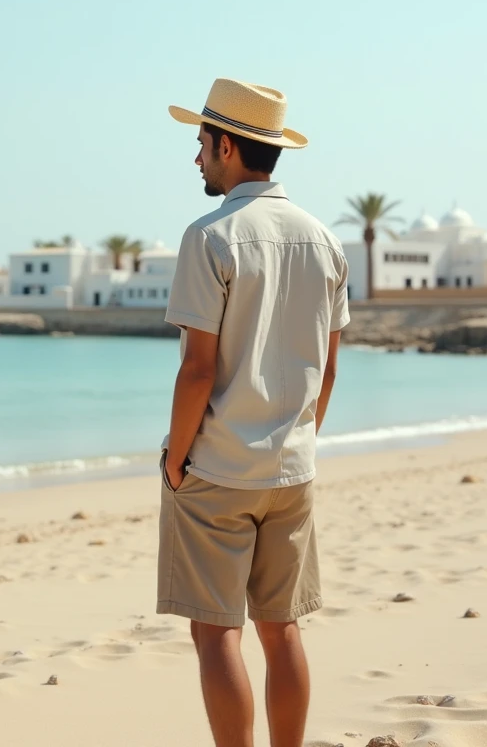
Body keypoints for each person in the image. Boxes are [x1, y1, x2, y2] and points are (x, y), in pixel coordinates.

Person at [158, 78, 349, 747]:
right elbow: (327, 369)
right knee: (283, 628)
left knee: (216, 634)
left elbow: (198, 369)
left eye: (202, 144)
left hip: (217, 471)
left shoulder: (211, 236)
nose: (197, 158)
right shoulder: (324, 240)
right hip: (292, 470)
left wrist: (175, 459)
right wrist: (297, 440)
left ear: (228, 146)